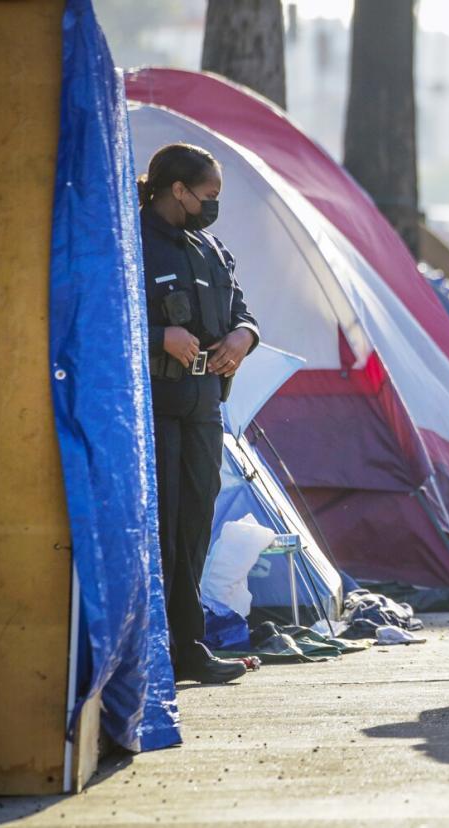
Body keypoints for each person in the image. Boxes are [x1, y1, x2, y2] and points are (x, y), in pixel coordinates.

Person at [138, 143, 259, 684]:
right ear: (177, 190)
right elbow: (100, 322)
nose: (214, 205)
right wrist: (160, 336)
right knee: (159, 527)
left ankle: (187, 646)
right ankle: (153, 649)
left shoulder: (208, 248)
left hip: (203, 407)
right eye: (207, 195)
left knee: (193, 526)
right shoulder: (133, 243)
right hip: (155, 408)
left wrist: (243, 337)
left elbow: (242, 310)